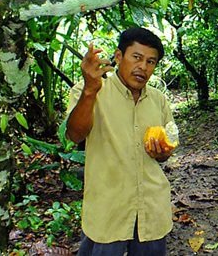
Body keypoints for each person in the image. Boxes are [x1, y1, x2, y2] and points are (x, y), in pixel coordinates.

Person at [66, 27, 177, 255]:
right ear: (118, 57)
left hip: (152, 209)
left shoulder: (158, 100)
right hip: (109, 210)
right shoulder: (91, 90)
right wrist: (89, 91)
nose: (143, 67)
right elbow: (75, 135)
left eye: (150, 62)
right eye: (136, 57)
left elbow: (168, 150)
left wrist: (162, 151)